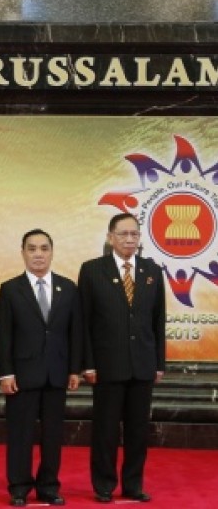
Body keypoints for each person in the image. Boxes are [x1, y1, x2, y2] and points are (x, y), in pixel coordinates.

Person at [78, 213, 165, 503]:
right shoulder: (92, 271)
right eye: (123, 234)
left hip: (142, 365)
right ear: (110, 237)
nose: (129, 239)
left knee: (138, 431)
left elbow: (158, 321)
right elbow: (84, 322)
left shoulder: (152, 271)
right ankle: (103, 485)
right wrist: (87, 363)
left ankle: (133, 484)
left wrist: (159, 363)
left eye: (134, 234)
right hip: (106, 366)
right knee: (105, 430)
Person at [0, 229, 81, 507]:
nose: (38, 254)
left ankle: (48, 486)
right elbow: (4, 333)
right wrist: (5, 373)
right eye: (32, 249)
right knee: (20, 434)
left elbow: (75, 332)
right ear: (23, 253)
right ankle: (19, 487)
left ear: (52, 252)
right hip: (22, 376)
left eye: (44, 248)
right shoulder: (10, 289)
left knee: (53, 435)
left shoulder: (68, 288)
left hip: (57, 374)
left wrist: (74, 370)